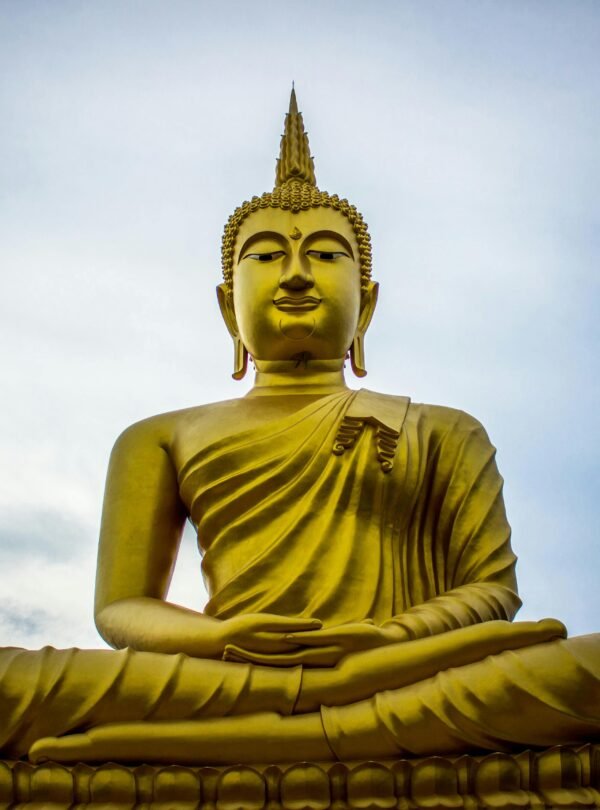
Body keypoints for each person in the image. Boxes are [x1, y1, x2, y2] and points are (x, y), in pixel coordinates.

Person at [1, 90, 599, 765]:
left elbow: (492, 590)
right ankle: (332, 728)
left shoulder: (444, 429)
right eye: (264, 257)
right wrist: (220, 640)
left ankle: (295, 732)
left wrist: (384, 644)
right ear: (229, 308)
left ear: (365, 304)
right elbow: (121, 608)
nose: (293, 276)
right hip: (230, 674)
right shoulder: (160, 437)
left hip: (410, 670)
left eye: (323, 255)